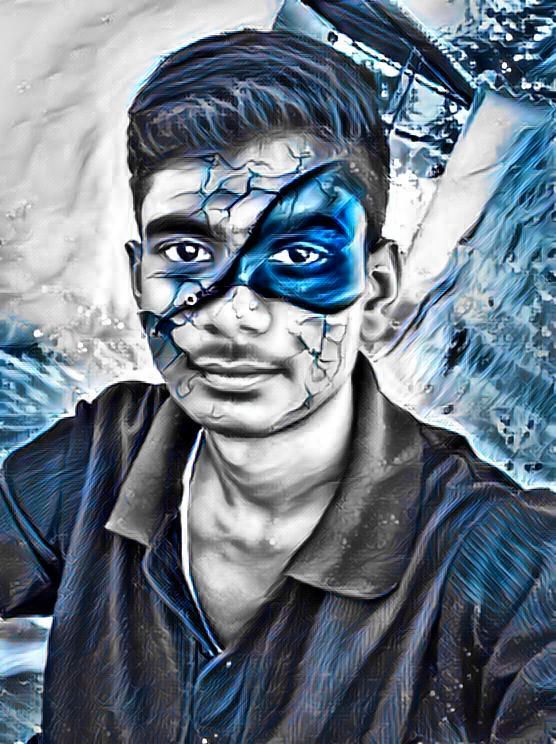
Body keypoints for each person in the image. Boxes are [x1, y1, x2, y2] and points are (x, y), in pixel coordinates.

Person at [0, 30, 553, 744]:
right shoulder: (100, 454)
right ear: (138, 276)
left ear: (376, 285)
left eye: (297, 254)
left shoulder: (509, 563)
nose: (233, 312)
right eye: (187, 251)